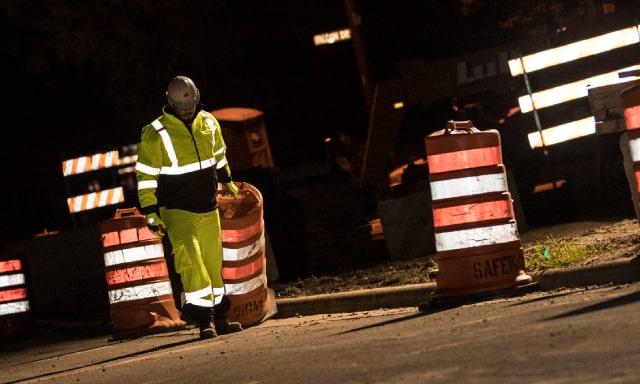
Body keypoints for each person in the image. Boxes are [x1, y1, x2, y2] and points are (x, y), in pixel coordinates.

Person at [135, 75, 243, 339]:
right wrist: (150, 212)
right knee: (192, 264)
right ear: (169, 102)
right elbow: (146, 176)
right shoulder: (155, 133)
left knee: (212, 262)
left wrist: (227, 179)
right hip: (177, 211)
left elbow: (219, 155)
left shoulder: (208, 121)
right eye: (182, 106)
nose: (188, 109)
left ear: (196, 98)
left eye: (191, 104)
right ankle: (203, 320)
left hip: (208, 207)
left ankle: (219, 316)